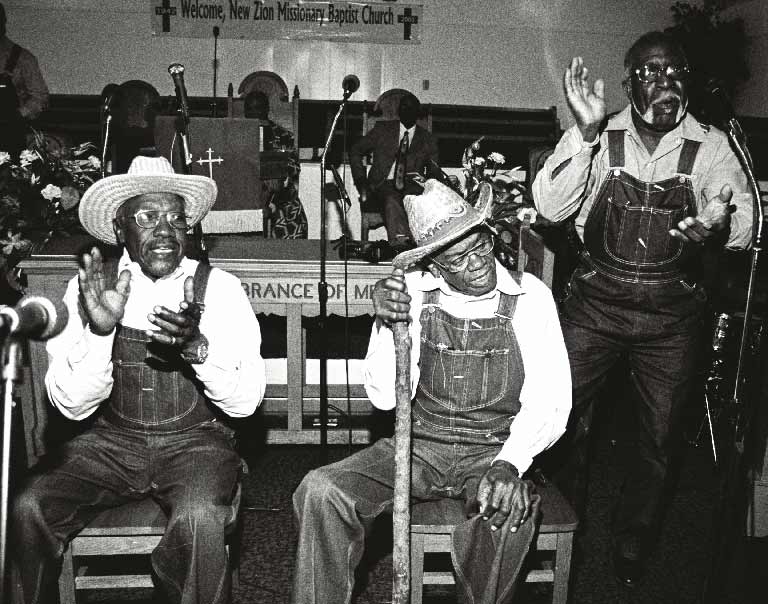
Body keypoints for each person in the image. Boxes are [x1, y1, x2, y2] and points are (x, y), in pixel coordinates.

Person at [532, 31, 752, 587]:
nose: (665, 83)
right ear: (631, 83)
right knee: (560, 425)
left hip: (672, 315)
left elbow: (742, 217)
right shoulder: (598, 135)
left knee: (659, 439)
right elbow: (549, 208)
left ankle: (634, 543)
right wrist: (582, 133)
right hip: (596, 302)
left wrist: (720, 223)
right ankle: (557, 532)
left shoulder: (712, 144)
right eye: (652, 73)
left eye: (676, 72)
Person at [292, 179, 571, 604]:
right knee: (321, 490)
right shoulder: (414, 297)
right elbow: (385, 398)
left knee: (504, 513)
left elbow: (550, 400)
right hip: (418, 444)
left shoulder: (531, 297)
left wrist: (509, 464)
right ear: (435, 267)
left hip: (493, 449)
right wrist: (388, 325)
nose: (479, 264)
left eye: (482, 247)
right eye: (460, 259)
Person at [9, 155, 266, 604]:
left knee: (200, 518)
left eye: (175, 219)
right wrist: (100, 331)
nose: (164, 230)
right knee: (28, 506)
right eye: (148, 217)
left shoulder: (220, 288)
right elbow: (70, 406)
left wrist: (196, 347)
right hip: (109, 443)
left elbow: (245, 405)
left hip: (196, 443)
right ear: (120, 226)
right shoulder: (89, 289)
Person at [350, 92, 442, 250]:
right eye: (403, 107)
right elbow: (355, 151)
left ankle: (416, 245)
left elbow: (435, 171)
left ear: (417, 113)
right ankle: (403, 246)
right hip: (381, 184)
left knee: (410, 200)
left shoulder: (428, 139)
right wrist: (361, 181)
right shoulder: (382, 129)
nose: (407, 111)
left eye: (411, 108)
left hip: (412, 188)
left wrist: (430, 188)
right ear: (399, 111)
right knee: (392, 198)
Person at [243, 89, 307, 238]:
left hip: (279, 198)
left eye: (258, 108)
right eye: (249, 109)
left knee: (293, 217)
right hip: (245, 197)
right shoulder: (236, 135)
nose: (254, 113)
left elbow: (294, 167)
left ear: (267, 109)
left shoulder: (284, 135)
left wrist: (275, 179)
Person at [0, 1, 49, 157]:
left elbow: (40, 98)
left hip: (9, 134)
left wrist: (17, 115)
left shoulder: (22, 58)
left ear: (3, 22)